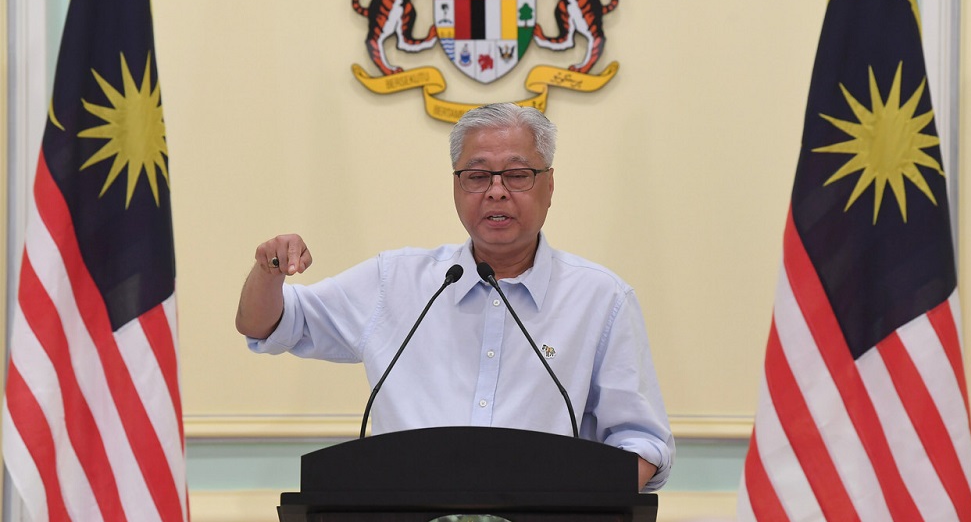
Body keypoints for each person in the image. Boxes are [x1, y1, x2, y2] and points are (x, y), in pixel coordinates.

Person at [236, 102, 674, 491]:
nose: (496, 190)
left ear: (550, 185)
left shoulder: (600, 298)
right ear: (456, 185)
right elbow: (266, 325)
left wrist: (572, 503)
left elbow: (643, 444)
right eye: (477, 176)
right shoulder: (396, 281)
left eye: (518, 175)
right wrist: (267, 271)